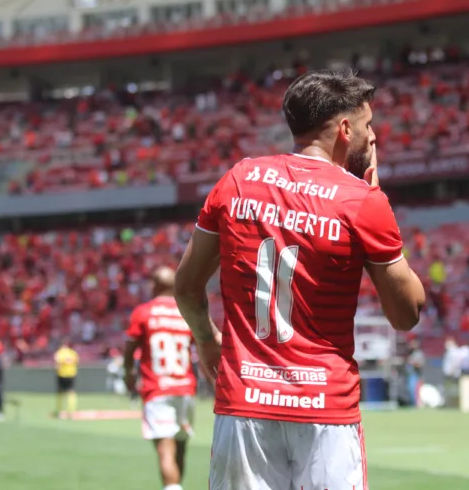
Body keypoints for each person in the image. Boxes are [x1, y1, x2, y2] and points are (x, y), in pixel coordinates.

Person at [174, 69, 425, 490]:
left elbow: (185, 286)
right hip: (325, 407)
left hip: (245, 404)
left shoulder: (237, 180)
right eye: (368, 126)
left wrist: (206, 339)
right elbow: (407, 314)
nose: (373, 137)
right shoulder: (362, 200)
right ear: (345, 129)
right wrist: (375, 202)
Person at [124, 266, 196, 490]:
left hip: (157, 388)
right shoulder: (187, 312)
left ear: (154, 286)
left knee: (165, 448)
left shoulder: (143, 312)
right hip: (185, 388)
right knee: (181, 445)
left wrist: (128, 373)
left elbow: (130, 346)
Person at [54, 339, 79, 419]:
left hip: (62, 374)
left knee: (60, 393)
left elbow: (57, 364)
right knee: (71, 392)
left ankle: (60, 412)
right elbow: (77, 362)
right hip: (71, 374)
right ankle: (71, 412)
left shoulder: (59, 353)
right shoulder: (72, 353)